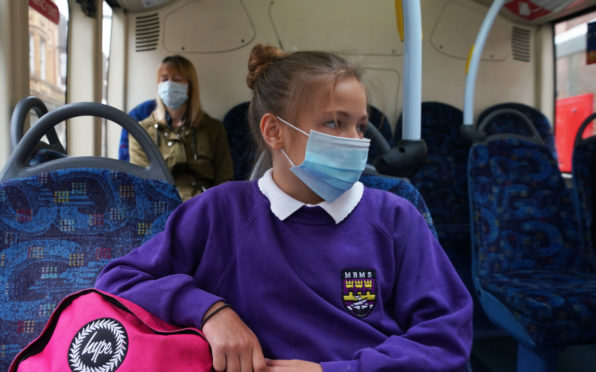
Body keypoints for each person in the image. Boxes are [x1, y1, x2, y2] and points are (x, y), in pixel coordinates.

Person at [96, 44, 473, 372]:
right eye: (334, 123)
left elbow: (446, 338)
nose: (357, 142)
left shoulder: (395, 217)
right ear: (274, 131)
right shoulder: (221, 212)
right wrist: (210, 311)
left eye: (360, 126)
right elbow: (120, 280)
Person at [129, 55, 234, 201]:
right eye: (164, 79)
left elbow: (225, 178)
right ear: (158, 85)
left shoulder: (213, 128)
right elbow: (140, 182)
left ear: (190, 86)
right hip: (161, 204)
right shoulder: (141, 131)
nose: (169, 85)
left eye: (177, 79)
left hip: (204, 202)